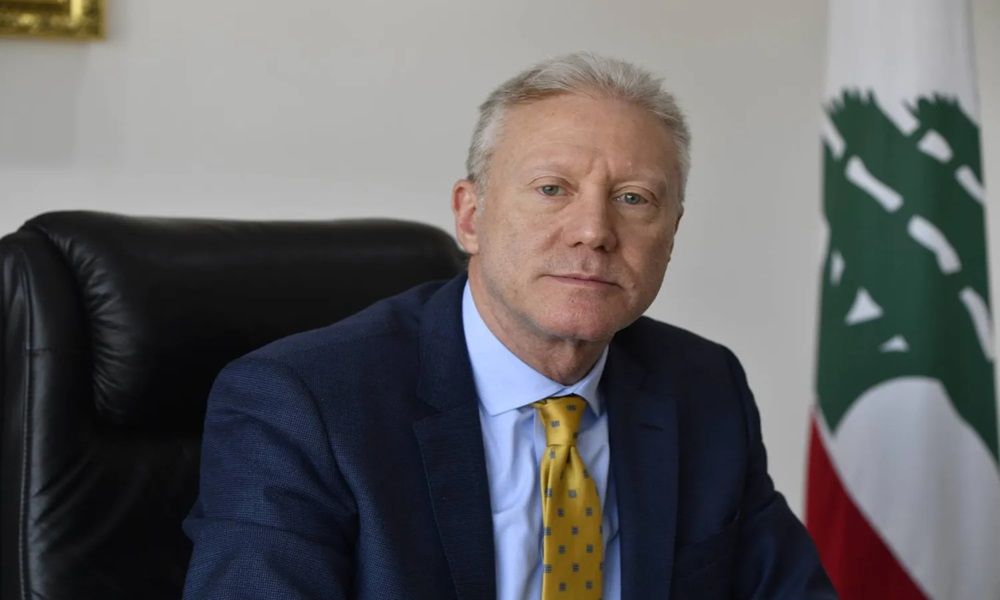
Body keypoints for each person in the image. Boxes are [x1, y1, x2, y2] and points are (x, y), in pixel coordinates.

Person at [183, 53, 835, 599]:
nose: (594, 232)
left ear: (672, 234)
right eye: (552, 189)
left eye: (633, 199)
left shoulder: (702, 386)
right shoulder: (301, 404)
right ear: (470, 216)